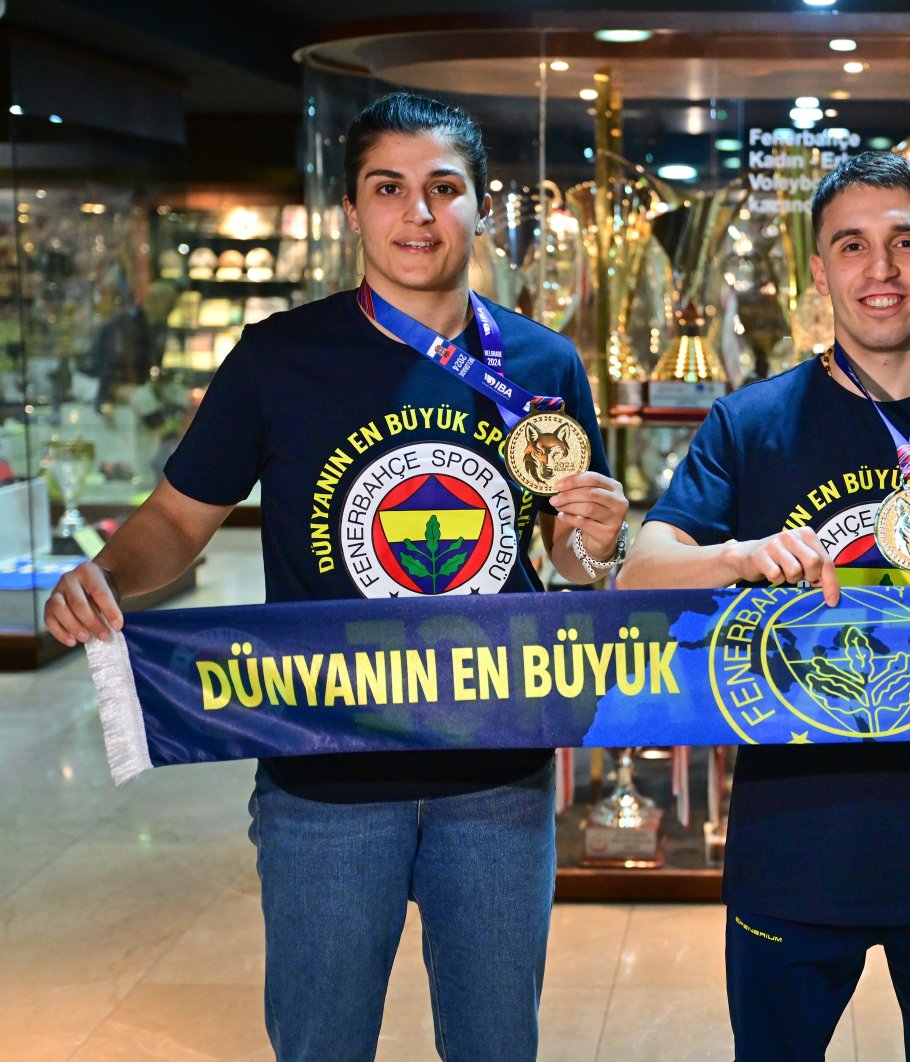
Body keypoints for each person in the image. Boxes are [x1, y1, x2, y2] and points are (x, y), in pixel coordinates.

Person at [44, 91, 628, 1061]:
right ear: (352, 210)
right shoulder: (280, 357)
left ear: (481, 206)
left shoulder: (542, 361)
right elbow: (179, 521)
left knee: (496, 1046)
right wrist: (101, 574)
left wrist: (597, 546)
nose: (419, 214)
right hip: (324, 770)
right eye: (388, 188)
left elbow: (563, 558)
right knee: (322, 1045)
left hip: (495, 769)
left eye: (445, 188)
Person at [618, 151, 910, 1061]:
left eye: (904, 243)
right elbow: (641, 569)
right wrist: (740, 555)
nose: (880, 271)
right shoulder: (751, 423)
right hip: (795, 843)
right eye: (852, 246)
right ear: (820, 268)